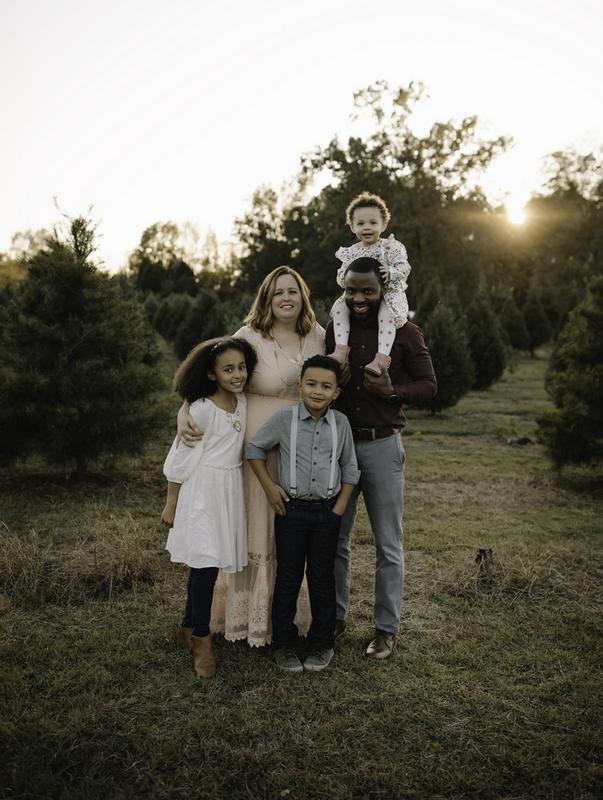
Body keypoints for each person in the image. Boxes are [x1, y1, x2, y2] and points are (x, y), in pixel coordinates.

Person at [177, 267, 325, 647]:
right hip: (255, 449)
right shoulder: (249, 336)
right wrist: (184, 411)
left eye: (293, 291)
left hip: (301, 447)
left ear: (303, 295)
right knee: (256, 528)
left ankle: (285, 615)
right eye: (278, 293)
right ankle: (242, 618)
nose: (286, 298)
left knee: (289, 532)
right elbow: (211, 375)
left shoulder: (318, 335)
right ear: (267, 298)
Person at [325, 256, 437, 660]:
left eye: (367, 290)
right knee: (336, 539)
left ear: (383, 289)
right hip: (340, 448)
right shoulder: (335, 331)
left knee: (388, 543)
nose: (358, 298)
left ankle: (386, 629)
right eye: (351, 290)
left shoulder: (405, 333)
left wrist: (391, 392)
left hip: (382, 446)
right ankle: (333, 618)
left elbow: (428, 386)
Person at [246, 355, 360, 672]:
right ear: (301, 386)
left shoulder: (341, 424)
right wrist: (270, 487)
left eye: (326, 386)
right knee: (289, 578)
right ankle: (284, 644)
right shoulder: (285, 420)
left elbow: (351, 470)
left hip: (326, 513)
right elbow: (254, 449)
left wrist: (338, 509)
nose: (317, 391)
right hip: (291, 513)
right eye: (311, 384)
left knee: (322, 579)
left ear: (337, 392)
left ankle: (322, 644)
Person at [163, 337, 258, 678]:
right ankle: (202, 640)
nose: (237, 374)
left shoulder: (242, 401)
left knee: (210, 564)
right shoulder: (202, 409)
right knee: (203, 564)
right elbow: (179, 457)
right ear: (212, 374)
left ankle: (188, 625)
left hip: (229, 490)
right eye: (228, 369)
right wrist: (171, 504)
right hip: (202, 492)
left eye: (242, 368)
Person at [329, 191, 411, 376]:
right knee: (340, 308)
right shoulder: (351, 252)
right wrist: (345, 278)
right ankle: (341, 350)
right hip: (357, 295)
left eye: (373, 223)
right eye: (360, 223)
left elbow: (404, 267)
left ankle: (381, 357)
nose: (367, 227)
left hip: (387, 293)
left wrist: (391, 272)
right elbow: (341, 277)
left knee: (386, 314)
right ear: (352, 227)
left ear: (384, 224)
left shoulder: (390, 247)